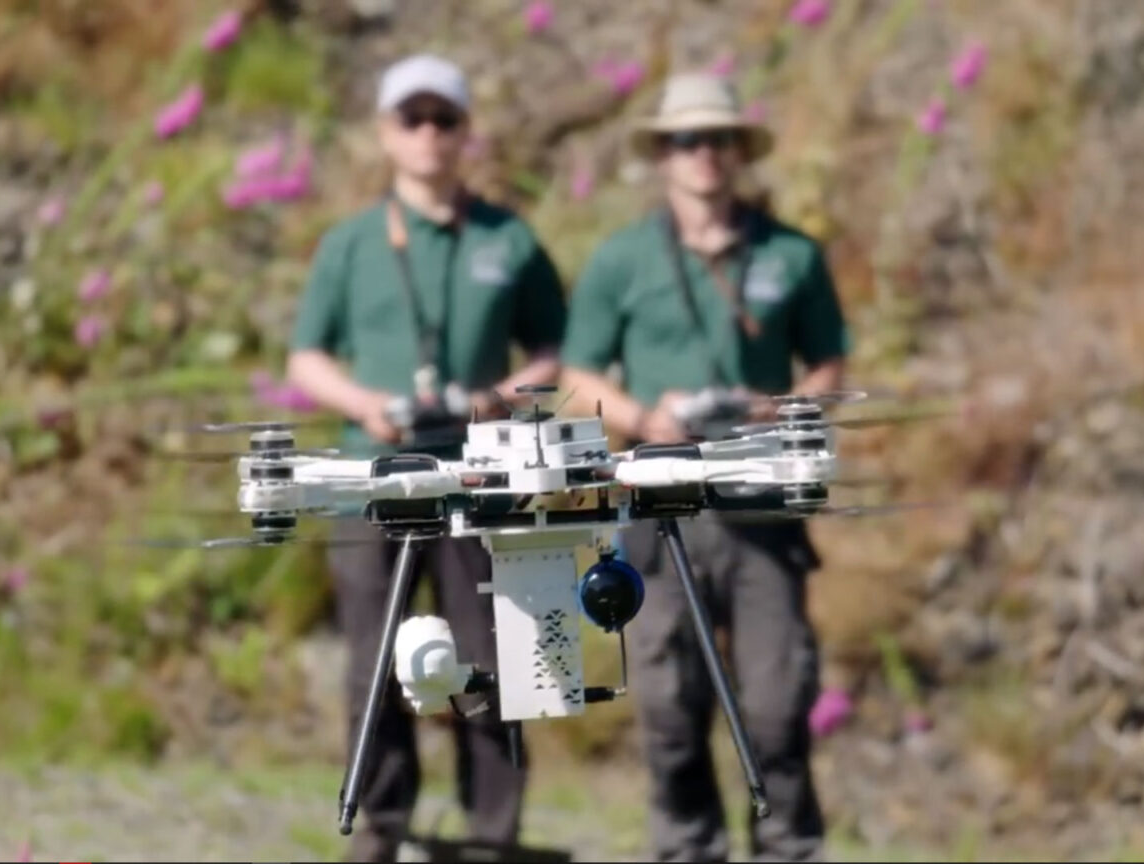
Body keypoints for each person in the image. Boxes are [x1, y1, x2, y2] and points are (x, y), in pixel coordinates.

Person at [558, 72, 850, 863]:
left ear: (738, 151)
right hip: (661, 504)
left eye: (718, 139)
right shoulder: (622, 259)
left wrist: (781, 408)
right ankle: (686, 847)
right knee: (668, 702)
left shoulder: (791, 254)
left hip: (761, 502)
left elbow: (829, 362)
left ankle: (787, 846)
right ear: (663, 153)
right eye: (687, 140)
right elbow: (577, 374)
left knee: (779, 700)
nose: (704, 154)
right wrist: (642, 418)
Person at [285, 53, 569, 862]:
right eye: (413, 118)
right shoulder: (350, 244)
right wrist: (363, 404)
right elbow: (306, 357)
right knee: (375, 661)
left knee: (492, 656)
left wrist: (500, 394)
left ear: (465, 132)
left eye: (444, 119)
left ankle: (492, 832)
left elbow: (559, 348)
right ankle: (380, 826)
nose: (429, 135)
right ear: (387, 132)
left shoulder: (507, 238)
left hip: (479, 476)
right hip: (373, 477)